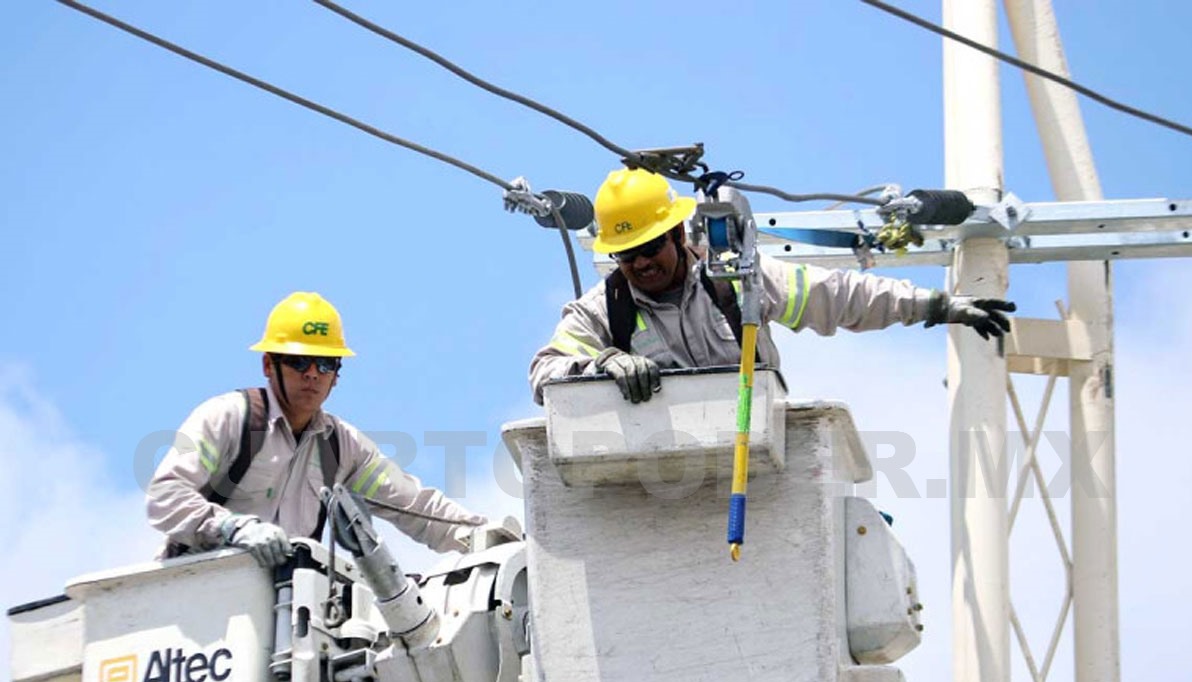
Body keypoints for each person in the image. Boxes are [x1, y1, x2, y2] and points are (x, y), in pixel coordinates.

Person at [529, 168, 1016, 404]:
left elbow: (839, 297)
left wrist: (937, 306)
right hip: (660, 473)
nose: (640, 263)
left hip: (751, 455)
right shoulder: (604, 309)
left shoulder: (735, 281)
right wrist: (601, 363)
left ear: (677, 233)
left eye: (650, 247)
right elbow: (544, 373)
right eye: (626, 254)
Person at [148, 291, 487, 567]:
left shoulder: (340, 448)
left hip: (280, 611)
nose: (312, 374)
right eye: (298, 361)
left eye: (325, 364)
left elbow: (416, 508)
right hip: (198, 594)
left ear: (337, 375)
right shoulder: (229, 418)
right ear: (268, 365)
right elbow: (166, 496)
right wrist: (231, 528)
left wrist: (484, 538)